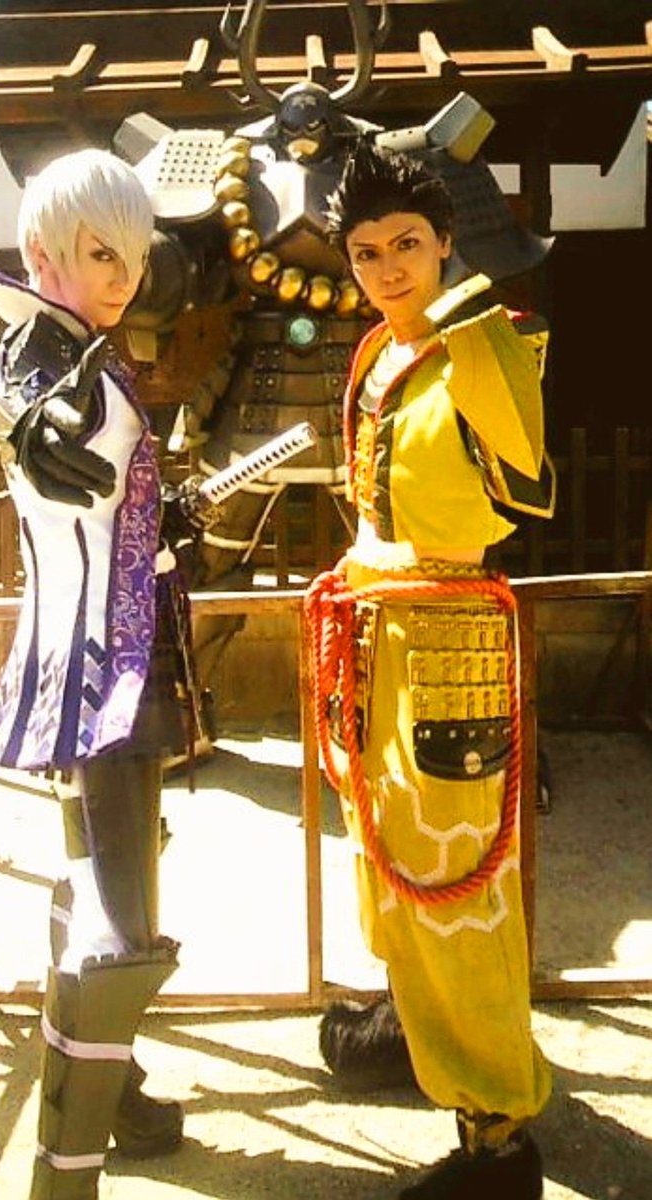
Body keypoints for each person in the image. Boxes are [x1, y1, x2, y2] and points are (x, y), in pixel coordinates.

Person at [0, 148, 216, 1199]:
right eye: (100, 253)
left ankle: (122, 1095)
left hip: (113, 662)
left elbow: (101, 499)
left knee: (102, 891)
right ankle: (69, 1173)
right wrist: (32, 426)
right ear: (42, 250)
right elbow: (32, 405)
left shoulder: (83, 349)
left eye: (133, 256)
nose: (122, 275)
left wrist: (164, 517)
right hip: (106, 677)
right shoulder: (45, 353)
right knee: (120, 931)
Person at [305, 140, 556, 1199]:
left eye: (406, 243)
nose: (387, 269)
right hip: (374, 634)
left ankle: (498, 1136)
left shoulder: (489, 341)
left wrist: (467, 316)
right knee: (385, 858)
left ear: (445, 240)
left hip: (450, 637)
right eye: (365, 253)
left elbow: (526, 485)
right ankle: (414, 1028)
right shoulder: (376, 354)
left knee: (459, 885)